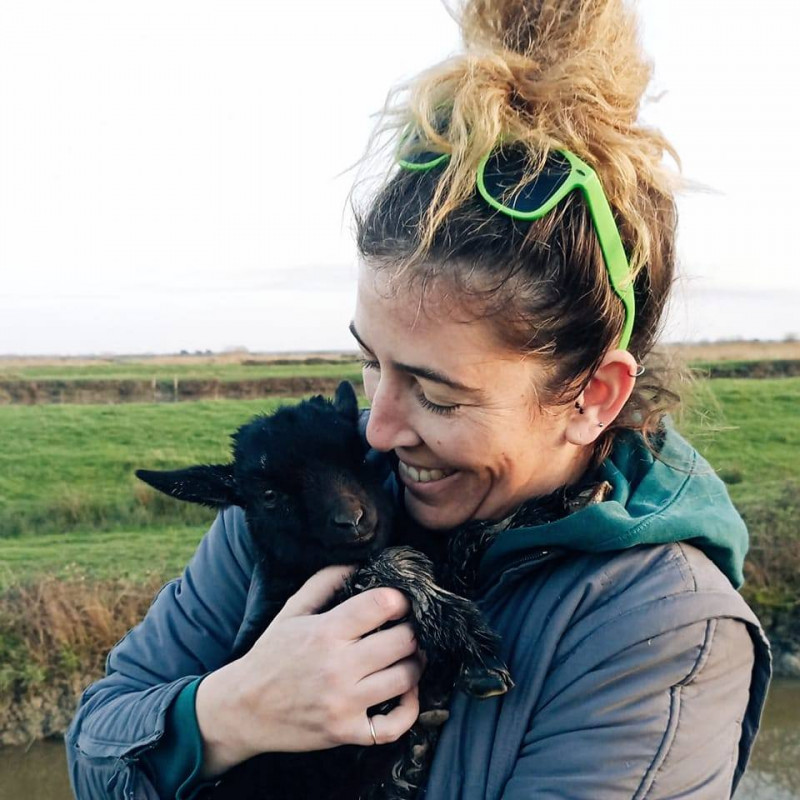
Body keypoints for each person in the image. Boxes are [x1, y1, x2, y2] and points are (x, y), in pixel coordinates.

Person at [66, 1, 771, 798]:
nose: (380, 426)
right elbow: (94, 753)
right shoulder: (293, 511)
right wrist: (229, 711)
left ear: (591, 396)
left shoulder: (661, 631)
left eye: (438, 394)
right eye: (372, 364)